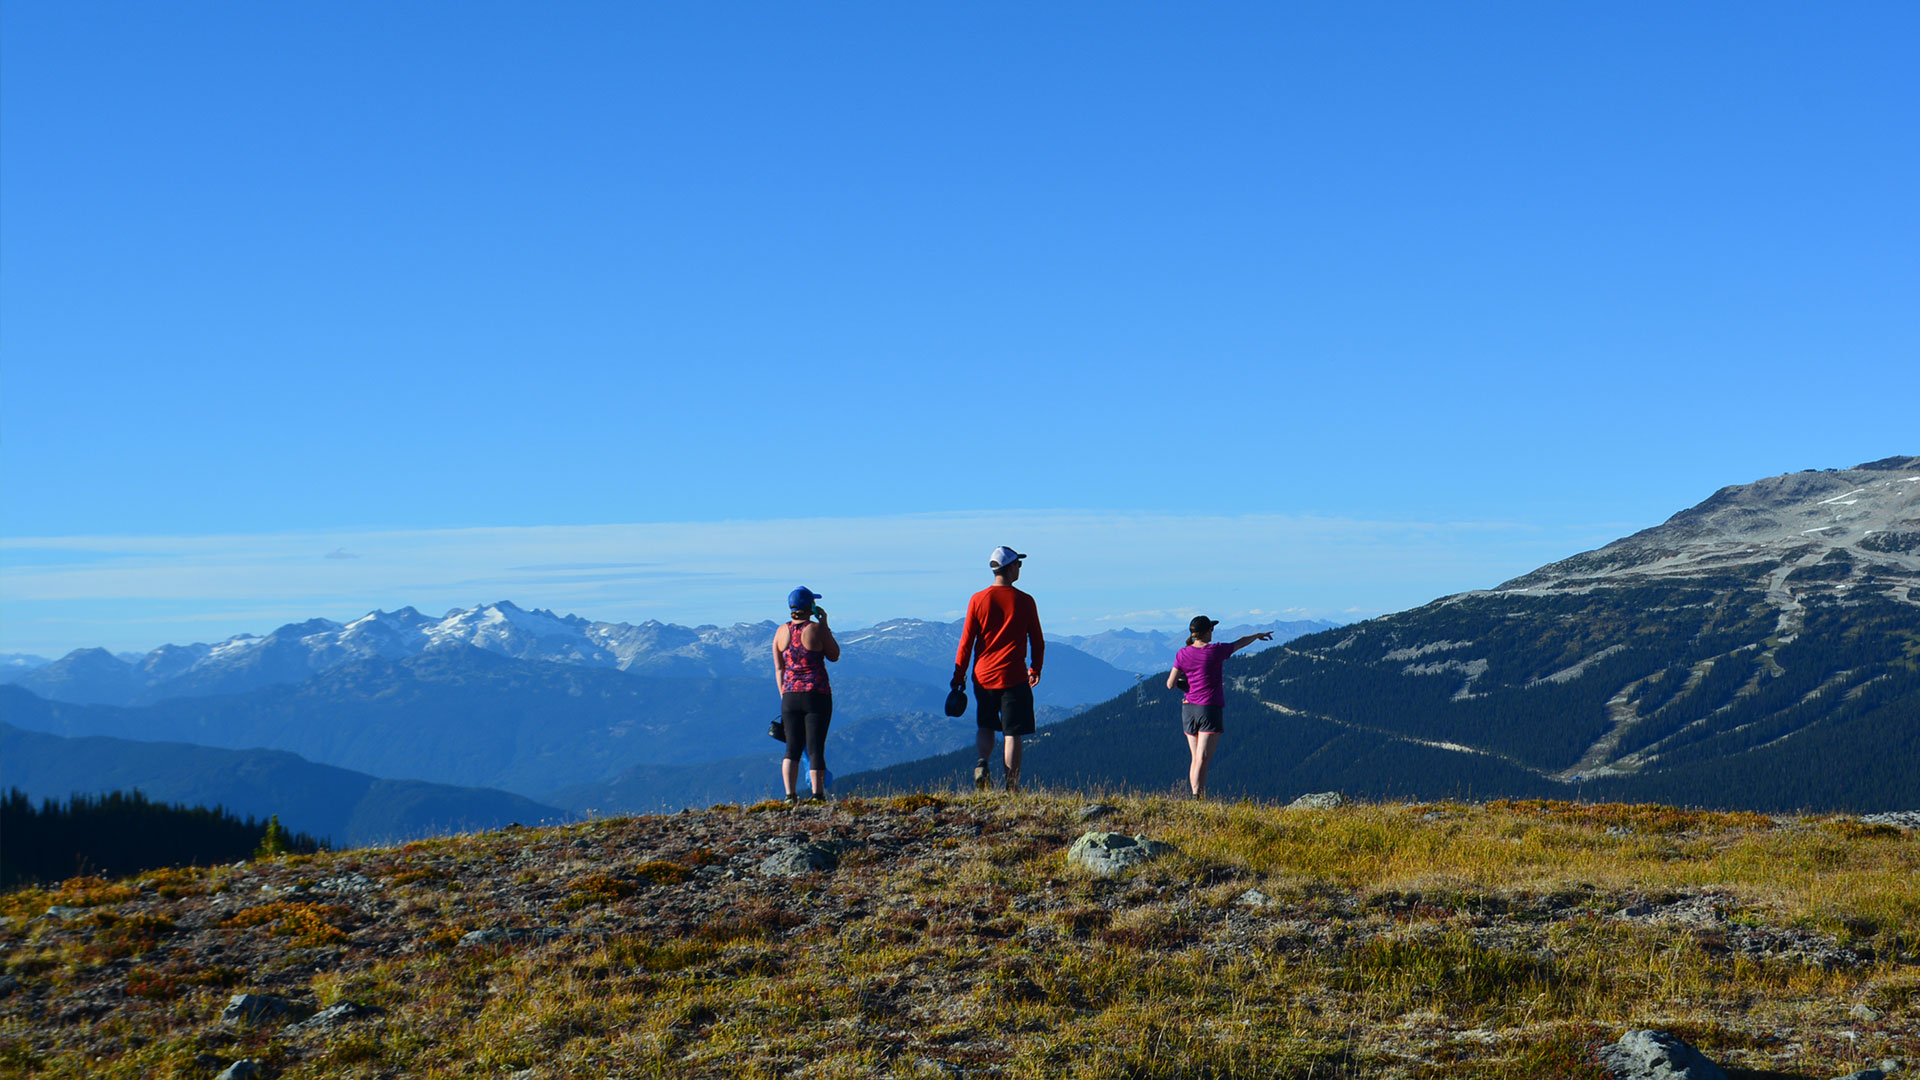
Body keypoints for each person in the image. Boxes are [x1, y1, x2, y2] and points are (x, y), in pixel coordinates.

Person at [952, 546, 1044, 792]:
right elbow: (1037, 640)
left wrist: (958, 677)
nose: (1019, 569)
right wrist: (1035, 667)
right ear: (1011, 567)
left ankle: (982, 762)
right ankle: (1011, 787)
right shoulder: (1025, 601)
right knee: (1012, 733)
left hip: (983, 677)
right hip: (1013, 677)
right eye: (1019, 565)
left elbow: (966, 643)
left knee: (985, 725)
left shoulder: (978, 600)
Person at [1166, 616, 1272, 799]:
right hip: (1209, 708)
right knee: (1203, 759)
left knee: (1195, 758)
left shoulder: (1182, 653)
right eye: (1212, 629)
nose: (1213, 632)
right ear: (1207, 631)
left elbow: (1170, 684)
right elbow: (1239, 643)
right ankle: (1197, 799)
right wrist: (1257, 635)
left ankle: (1194, 796)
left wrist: (1187, 683)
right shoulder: (1215, 651)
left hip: (1188, 709)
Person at [773, 586, 839, 804]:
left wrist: (784, 693)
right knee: (815, 747)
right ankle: (817, 795)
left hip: (790, 695)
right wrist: (825, 624)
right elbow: (834, 655)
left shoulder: (781, 632)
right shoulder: (816, 629)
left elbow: (779, 668)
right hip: (816, 694)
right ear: (810, 606)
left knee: (792, 747)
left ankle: (789, 795)